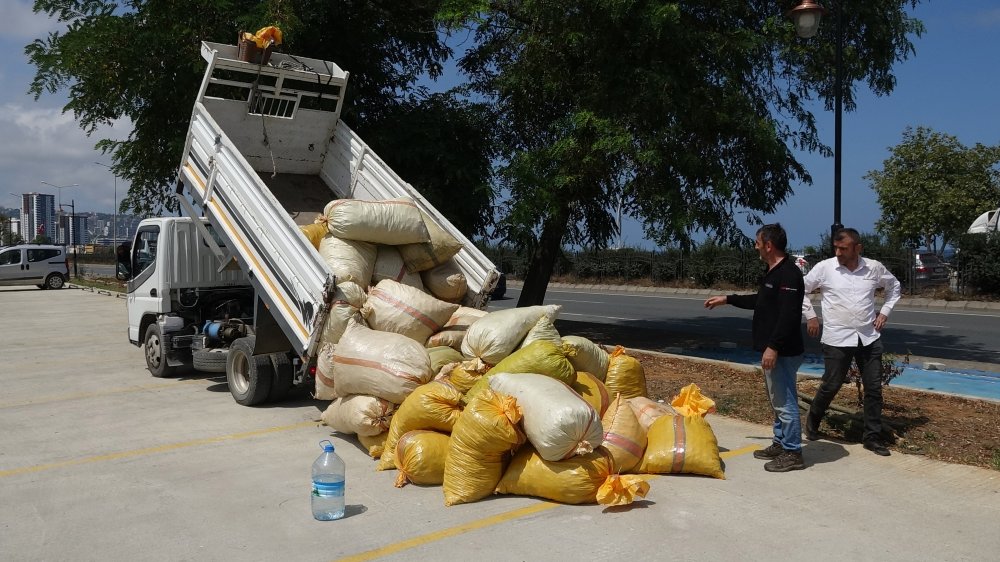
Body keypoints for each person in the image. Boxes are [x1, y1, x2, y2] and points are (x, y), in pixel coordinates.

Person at [705, 223, 806, 472]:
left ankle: (793, 452)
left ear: (769, 245)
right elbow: (761, 301)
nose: (755, 246)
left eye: (757, 242)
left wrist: (773, 347)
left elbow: (789, 316)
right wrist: (728, 299)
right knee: (778, 399)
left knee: (784, 401)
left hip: (783, 350)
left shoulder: (789, 274)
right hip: (775, 348)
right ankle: (781, 442)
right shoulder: (773, 271)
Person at [802, 227, 901, 456]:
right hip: (837, 337)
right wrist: (811, 316)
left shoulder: (873, 268)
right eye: (836, 247)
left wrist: (884, 311)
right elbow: (801, 290)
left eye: (843, 248)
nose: (838, 252)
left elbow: (894, 287)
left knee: (874, 388)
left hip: (868, 336)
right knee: (832, 384)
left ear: (858, 248)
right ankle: (813, 420)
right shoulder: (825, 268)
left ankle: (872, 437)